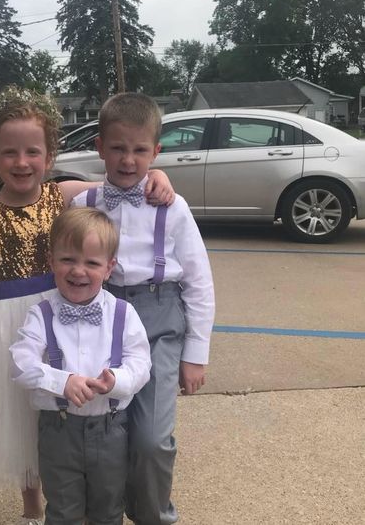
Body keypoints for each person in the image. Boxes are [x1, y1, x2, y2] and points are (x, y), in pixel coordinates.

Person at [0, 86, 175, 525]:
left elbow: (121, 183)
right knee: (20, 412)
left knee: (61, 400)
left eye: (32, 152)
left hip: (58, 308)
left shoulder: (60, 195)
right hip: (7, 320)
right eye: (10, 153)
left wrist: (159, 176)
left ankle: (76, 484)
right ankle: (31, 505)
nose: (22, 162)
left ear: (49, 155)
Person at [72, 92, 215, 525]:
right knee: (107, 434)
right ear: (99, 147)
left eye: (139, 150)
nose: (128, 160)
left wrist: (196, 353)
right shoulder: (82, 204)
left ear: (156, 152)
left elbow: (199, 281)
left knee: (152, 438)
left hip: (159, 321)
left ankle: (154, 515)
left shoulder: (173, 207)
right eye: (117, 148)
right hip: (101, 318)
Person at [10, 207, 151, 525]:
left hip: (110, 429)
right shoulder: (41, 313)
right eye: (68, 259)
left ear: (109, 267)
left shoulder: (123, 313)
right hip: (58, 431)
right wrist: (61, 381)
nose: (78, 271)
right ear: (51, 261)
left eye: (92, 263)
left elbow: (141, 364)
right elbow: (20, 363)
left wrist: (117, 380)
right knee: (63, 510)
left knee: (109, 507)